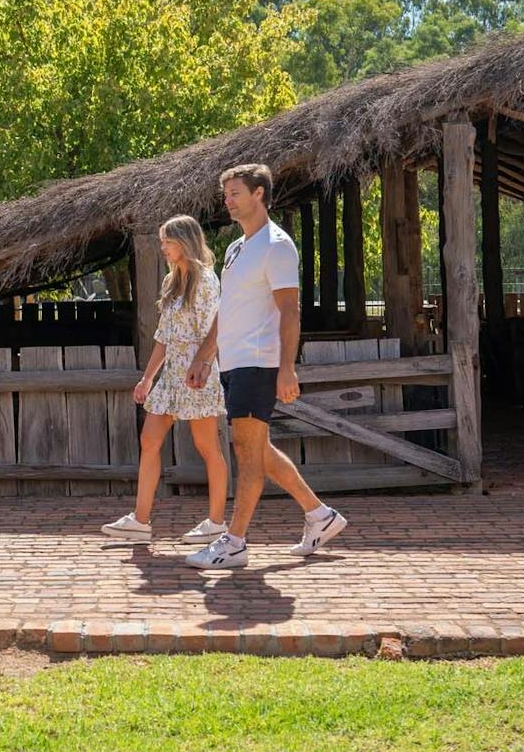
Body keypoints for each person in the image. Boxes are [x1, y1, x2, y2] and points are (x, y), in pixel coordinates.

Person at [183, 164, 348, 569]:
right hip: (233, 362)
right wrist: (204, 356)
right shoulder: (236, 249)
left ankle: (235, 542)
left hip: (259, 362)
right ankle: (320, 516)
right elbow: (226, 309)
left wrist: (287, 368)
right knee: (256, 448)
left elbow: (290, 311)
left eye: (235, 193)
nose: (228, 201)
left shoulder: (277, 246)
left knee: (247, 453)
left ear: (259, 194)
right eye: (226, 194)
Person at [102, 215, 230, 545]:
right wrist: (147, 379)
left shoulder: (206, 280)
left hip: (197, 373)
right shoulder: (171, 281)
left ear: (185, 241)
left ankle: (217, 522)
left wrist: (203, 364)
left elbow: (215, 331)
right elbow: (163, 337)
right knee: (149, 440)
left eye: (167, 241)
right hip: (170, 375)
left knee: (208, 448)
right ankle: (140, 520)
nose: (163, 247)